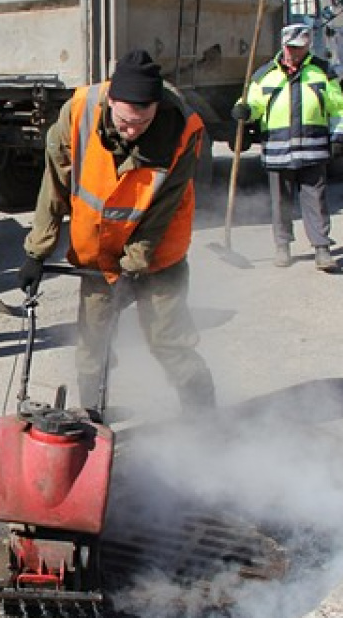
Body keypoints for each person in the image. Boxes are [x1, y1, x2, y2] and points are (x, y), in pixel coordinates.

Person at [17, 49, 216, 421]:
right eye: (125, 122)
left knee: (169, 342)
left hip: (160, 255)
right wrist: (37, 251)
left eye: (142, 123)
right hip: (98, 254)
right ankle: (92, 420)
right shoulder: (77, 112)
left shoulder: (184, 130)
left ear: (156, 108)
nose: (131, 130)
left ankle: (203, 418)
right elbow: (55, 183)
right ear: (111, 100)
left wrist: (133, 263)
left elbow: (162, 210)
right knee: (92, 345)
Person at [231, 23, 343, 273]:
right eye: (290, 48)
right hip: (277, 151)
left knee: (315, 200)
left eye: (299, 48)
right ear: (282, 46)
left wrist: (340, 136)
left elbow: (339, 108)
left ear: (307, 46)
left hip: (313, 151)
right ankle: (282, 246)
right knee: (280, 203)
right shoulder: (264, 74)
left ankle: (321, 249)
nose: (293, 53)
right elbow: (252, 104)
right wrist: (244, 111)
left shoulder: (322, 72)